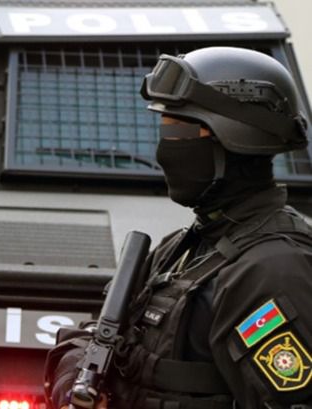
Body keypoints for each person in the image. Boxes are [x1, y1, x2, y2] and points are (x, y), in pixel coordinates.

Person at [44, 47, 312, 409]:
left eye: (179, 131)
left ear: (237, 137)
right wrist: (74, 376)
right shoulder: (185, 248)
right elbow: (97, 334)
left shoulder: (272, 270)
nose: (163, 150)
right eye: (165, 129)